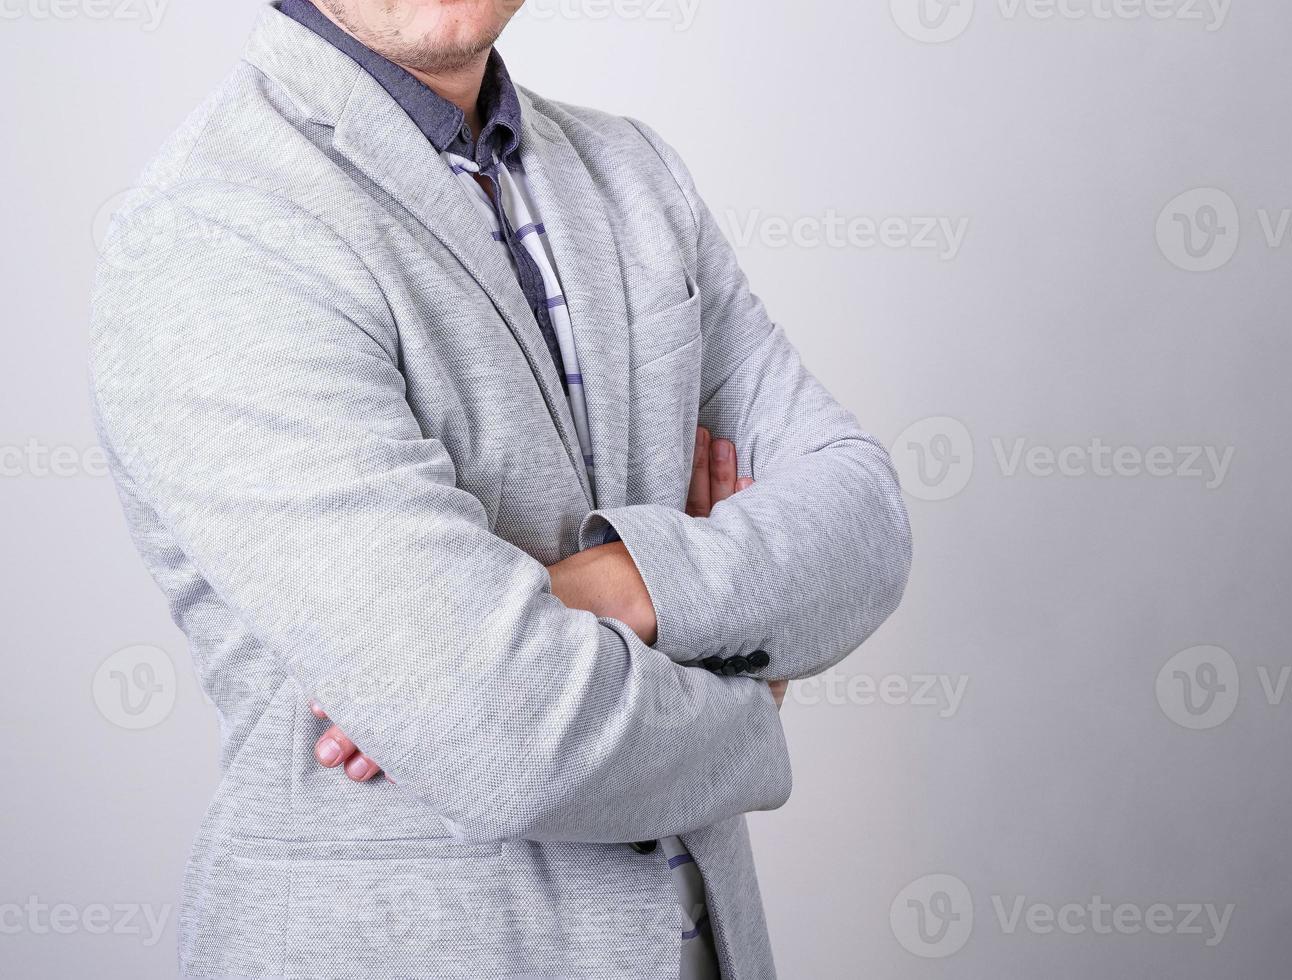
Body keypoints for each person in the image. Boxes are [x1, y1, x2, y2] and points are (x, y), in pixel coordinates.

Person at [88, 2, 912, 977]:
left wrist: (614, 586)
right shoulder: (214, 228)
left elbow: (864, 518)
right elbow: (499, 731)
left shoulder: (635, 172)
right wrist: (752, 690)